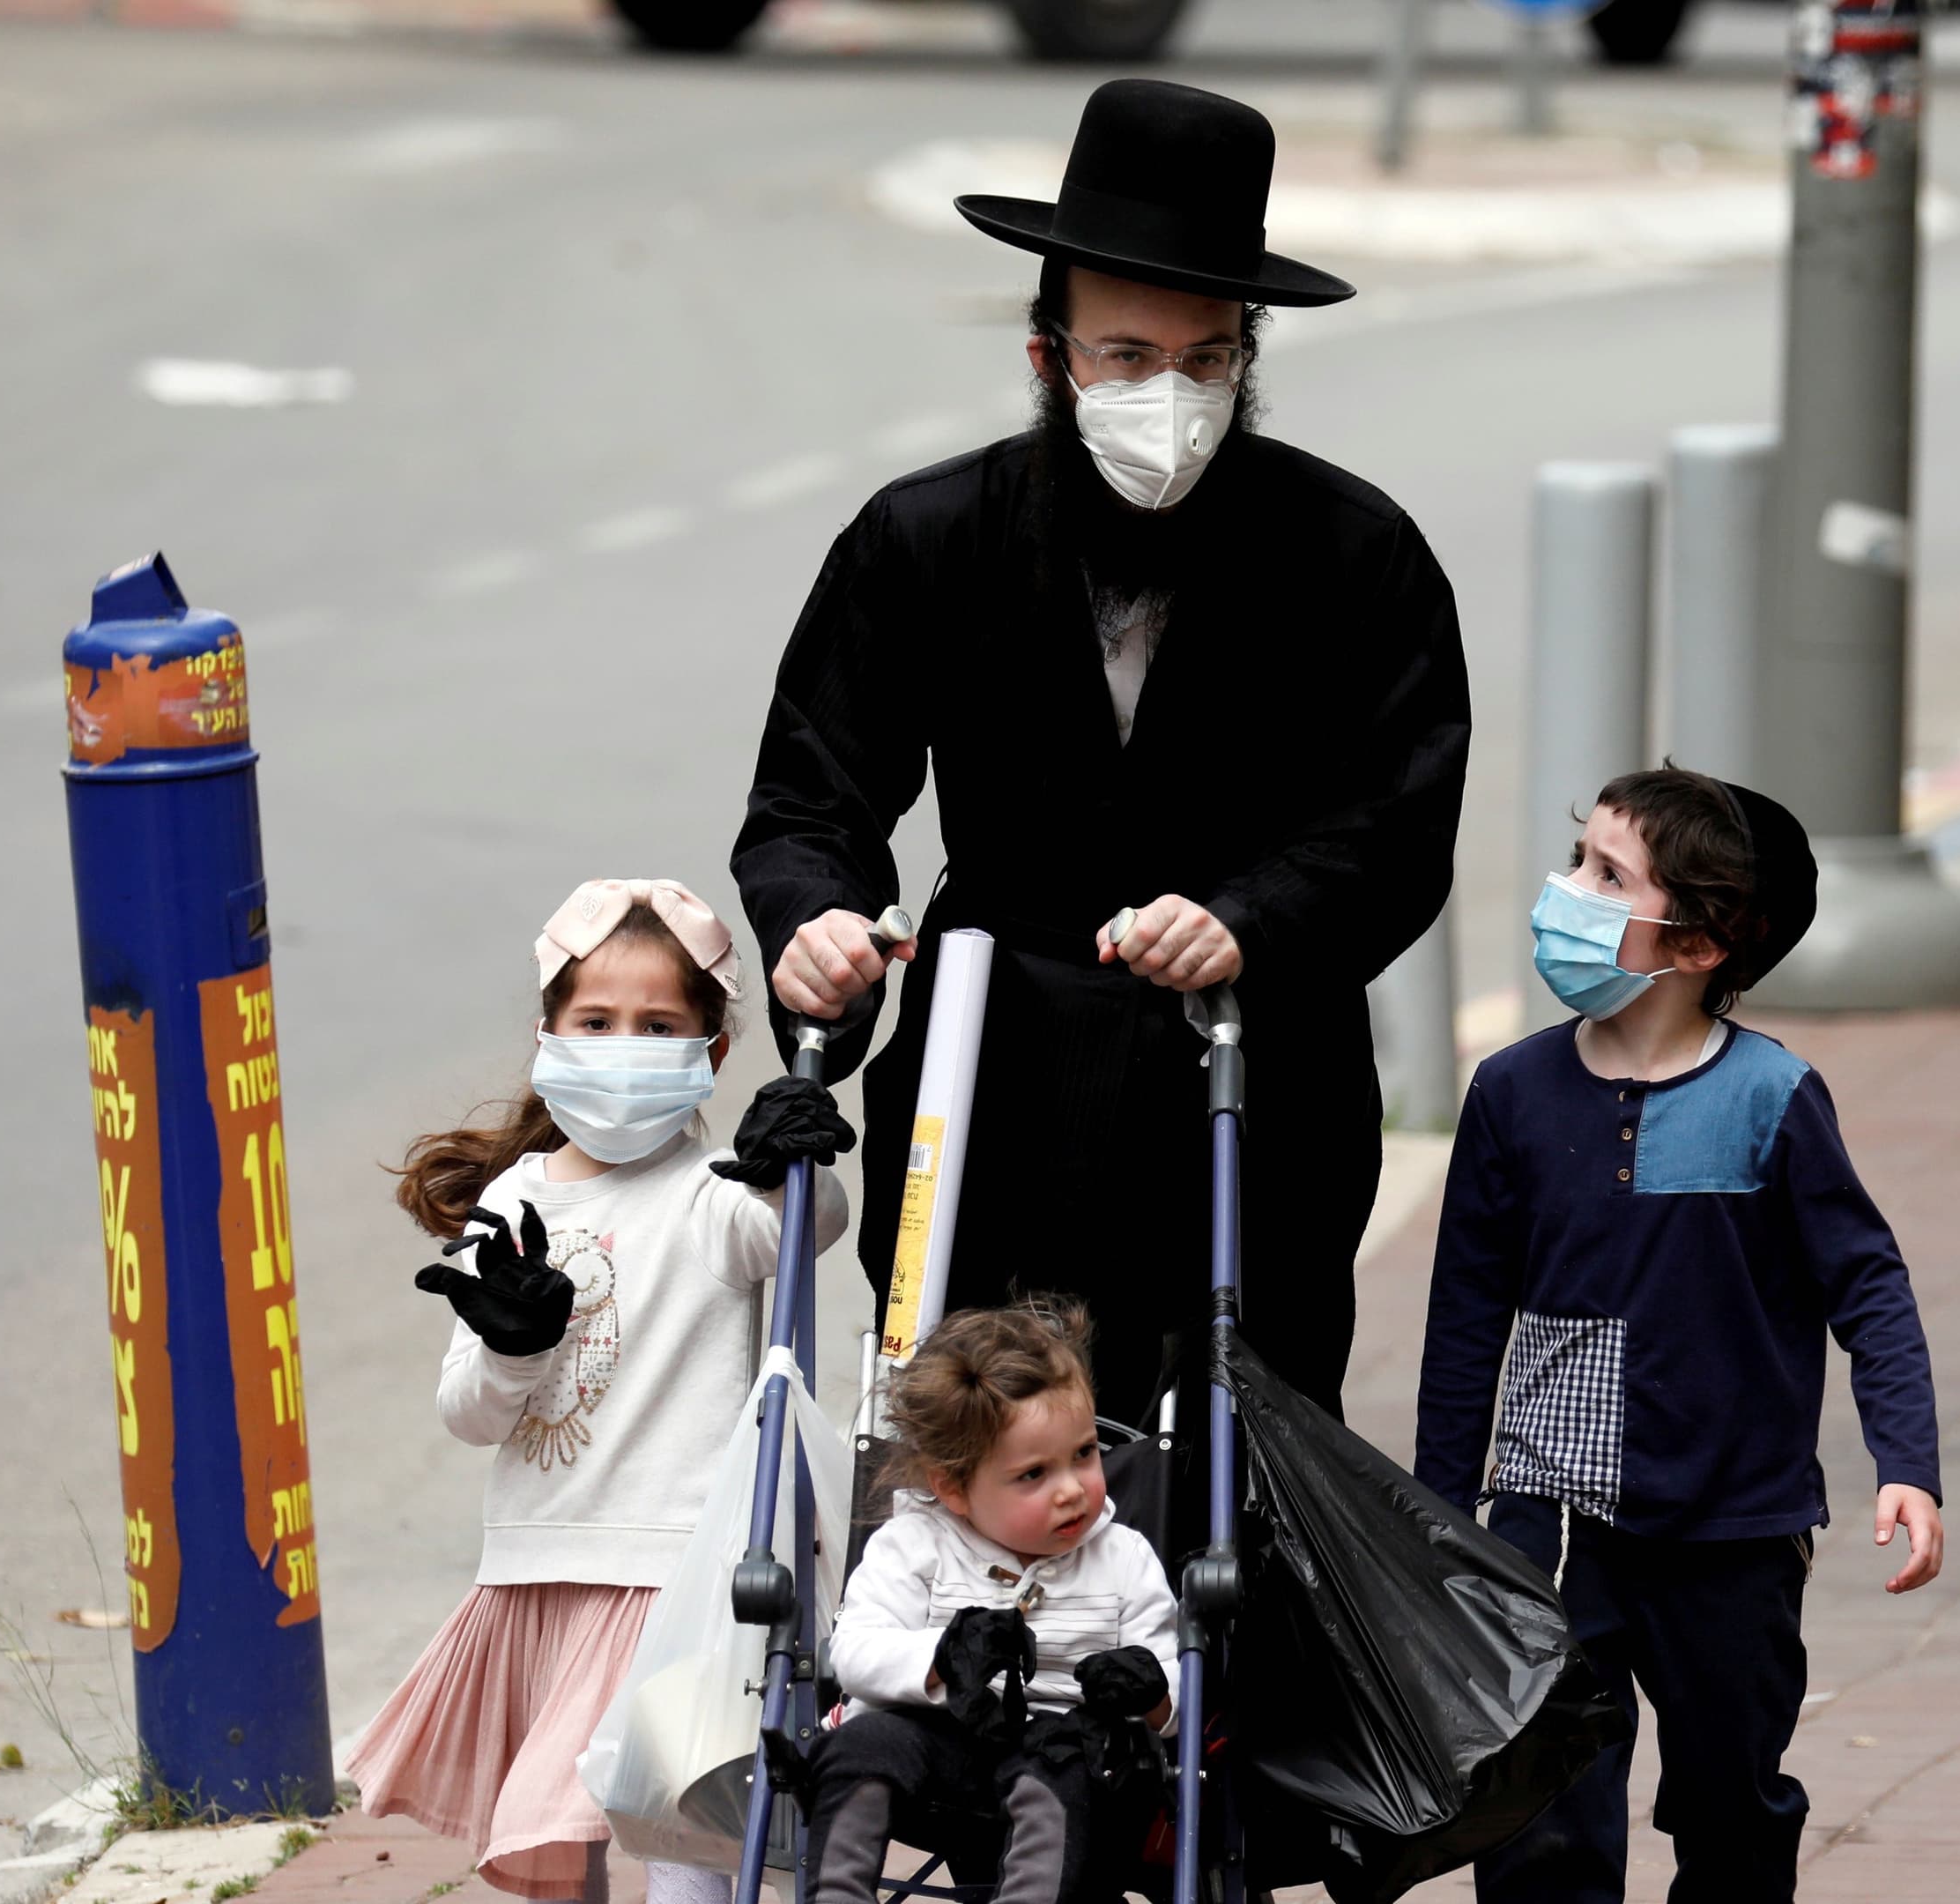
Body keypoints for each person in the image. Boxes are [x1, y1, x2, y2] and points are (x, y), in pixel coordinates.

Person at [732, 78, 1473, 1427]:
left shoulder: (1355, 555)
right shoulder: (925, 539)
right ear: (1048, 358)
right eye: (1128, 357)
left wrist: (1248, 919)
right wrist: (819, 925)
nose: (1171, 398)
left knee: (1237, 1478)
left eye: (1207, 361)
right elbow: (810, 798)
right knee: (976, 1457)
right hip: (989, 1069)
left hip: (1252, 1084)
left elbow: (1399, 823)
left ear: (1248, 356)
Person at [1412, 769, 1945, 1904]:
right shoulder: (1512, 1093)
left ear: (1700, 943)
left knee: (1729, 1807)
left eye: (1609, 876)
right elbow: (1465, 1317)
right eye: (1577, 860)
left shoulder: (1772, 1098)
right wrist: (1442, 1516)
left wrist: (1909, 1464)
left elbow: (1870, 1285)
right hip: (1549, 1525)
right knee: (1540, 1814)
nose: (1569, 892)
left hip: (1735, 1533)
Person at [349, 878, 854, 1903]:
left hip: (678, 1576)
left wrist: (788, 1165)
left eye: (658, 1023)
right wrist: (512, 1350)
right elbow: (468, 1413)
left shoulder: (713, 1196)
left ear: (710, 1053)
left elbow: (806, 1230)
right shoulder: (514, 1200)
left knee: (683, 1844)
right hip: (541, 1573)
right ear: (548, 1036)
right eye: (598, 1021)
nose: (625, 1045)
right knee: (555, 1838)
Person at [804, 1302, 1182, 1904]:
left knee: (1067, 1769)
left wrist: (1152, 1693)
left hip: (1063, 1753)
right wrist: (943, 1656)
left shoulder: (1123, 1556)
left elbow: (1176, 1693)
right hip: (936, 1748)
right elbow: (853, 1652)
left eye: (1085, 1454)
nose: (1070, 1489)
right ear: (953, 1488)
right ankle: (837, 1895)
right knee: (860, 1746)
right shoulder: (913, 1543)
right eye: (1034, 1475)